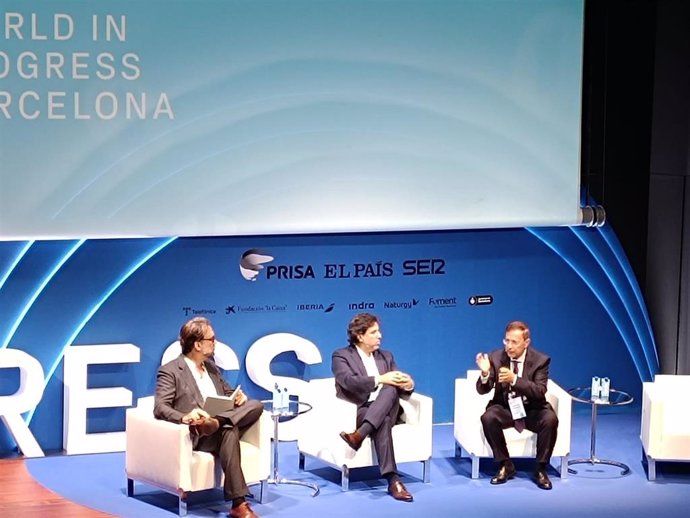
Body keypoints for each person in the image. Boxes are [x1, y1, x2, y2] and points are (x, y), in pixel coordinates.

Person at [154, 317, 264, 518]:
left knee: (255, 405)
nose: (215, 343)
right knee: (229, 431)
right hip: (197, 433)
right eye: (211, 339)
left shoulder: (212, 367)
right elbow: (160, 408)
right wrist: (185, 417)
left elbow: (227, 392)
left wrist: (238, 397)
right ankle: (238, 504)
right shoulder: (170, 371)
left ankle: (219, 421)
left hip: (216, 425)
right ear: (197, 344)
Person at [332, 313, 416, 502]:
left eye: (379, 331)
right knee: (383, 419)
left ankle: (358, 436)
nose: (380, 336)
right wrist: (380, 379)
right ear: (360, 336)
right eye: (374, 332)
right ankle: (393, 480)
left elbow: (399, 386)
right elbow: (347, 381)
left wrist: (408, 384)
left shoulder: (386, 356)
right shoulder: (341, 356)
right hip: (361, 409)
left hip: (390, 406)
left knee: (391, 387)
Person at [475, 320, 558, 490]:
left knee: (550, 419)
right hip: (505, 407)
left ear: (526, 343)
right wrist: (485, 373)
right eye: (507, 341)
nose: (509, 346)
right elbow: (483, 389)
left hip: (532, 408)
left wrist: (514, 379)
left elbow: (539, 391)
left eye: (514, 342)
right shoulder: (496, 357)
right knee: (488, 417)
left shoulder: (541, 360)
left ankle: (540, 468)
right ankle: (505, 464)